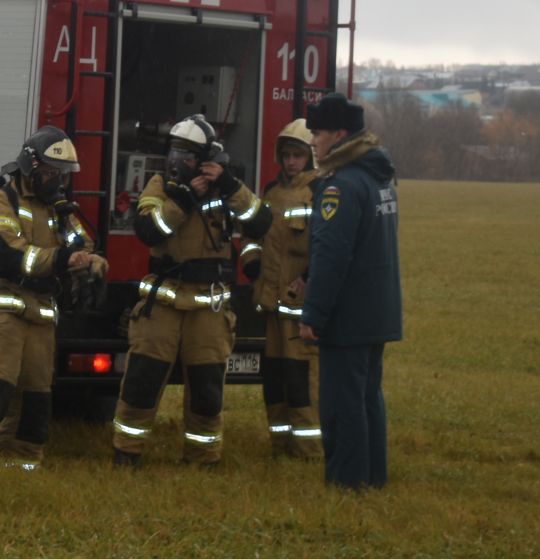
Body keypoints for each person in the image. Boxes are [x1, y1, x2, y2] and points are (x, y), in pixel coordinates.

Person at [111, 114, 271, 467]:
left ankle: (203, 458)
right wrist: (184, 200)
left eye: (186, 156)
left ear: (205, 160)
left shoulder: (226, 189)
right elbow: (149, 229)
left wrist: (228, 185)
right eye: (173, 153)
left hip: (208, 309)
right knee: (142, 381)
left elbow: (261, 220)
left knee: (207, 388)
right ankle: (127, 452)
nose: (176, 162)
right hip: (163, 305)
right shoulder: (160, 186)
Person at [0, 127, 106, 469]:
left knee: (36, 399)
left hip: (41, 314)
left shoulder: (59, 210)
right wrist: (64, 259)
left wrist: (93, 265)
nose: (57, 181)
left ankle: (19, 467)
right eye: (50, 172)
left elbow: (84, 247)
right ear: (30, 165)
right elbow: (10, 255)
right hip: (4, 310)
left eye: (61, 174)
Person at [299, 93, 402, 490]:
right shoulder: (379, 176)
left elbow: (331, 255)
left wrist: (314, 315)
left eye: (318, 133)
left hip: (349, 314)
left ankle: (346, 483)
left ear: (340, 135)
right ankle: (373, 478)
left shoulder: (340, 187)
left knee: (342, 404)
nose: (313, 141)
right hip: (378, 310)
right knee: (367, 398)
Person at [242, 118, 323, 458]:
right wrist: (251, 262)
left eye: (298, 155)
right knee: (274, 382)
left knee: (300, 382)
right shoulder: (271, 193)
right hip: (272, 307)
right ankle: (280, 445)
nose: (291, 162)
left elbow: (327, 245)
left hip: (300, 310)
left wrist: (308, 277)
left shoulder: (320, 191)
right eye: (286, 155)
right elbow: (252, 234)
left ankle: (308, 450)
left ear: (310, 157)